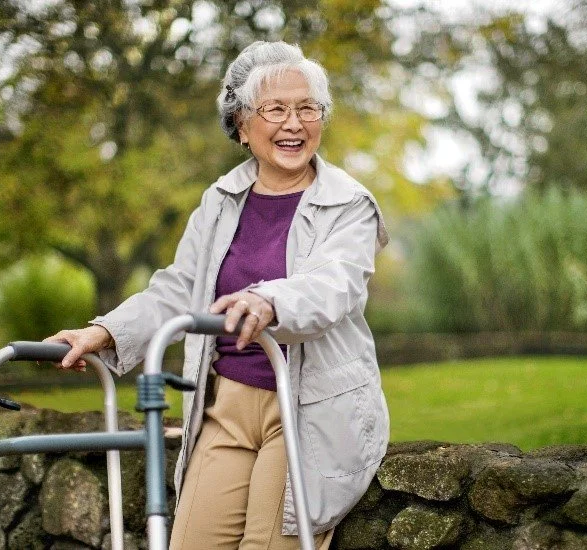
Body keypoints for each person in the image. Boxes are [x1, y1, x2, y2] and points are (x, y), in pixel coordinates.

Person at [46, 40, 389, 550]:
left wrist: (268, 300)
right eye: (275, 109)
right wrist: (103, 332)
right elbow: (180, 289)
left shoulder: (349, 205)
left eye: (307, 108)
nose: (294, 123)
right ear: (242, 124)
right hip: (223, 406)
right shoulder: (220, 200)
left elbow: (332, 284)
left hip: (306, 407)